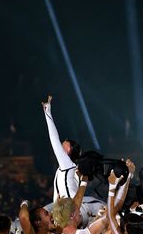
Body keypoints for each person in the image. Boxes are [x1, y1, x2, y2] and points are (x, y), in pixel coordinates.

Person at [42, 95, 105, 225]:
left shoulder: (68, 165)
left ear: (69, 151)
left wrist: (48, 113)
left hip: (72, 213)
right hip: (71, 212)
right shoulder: (69, 168)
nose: (60, 144)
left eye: (64, 144)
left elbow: (53, 139)